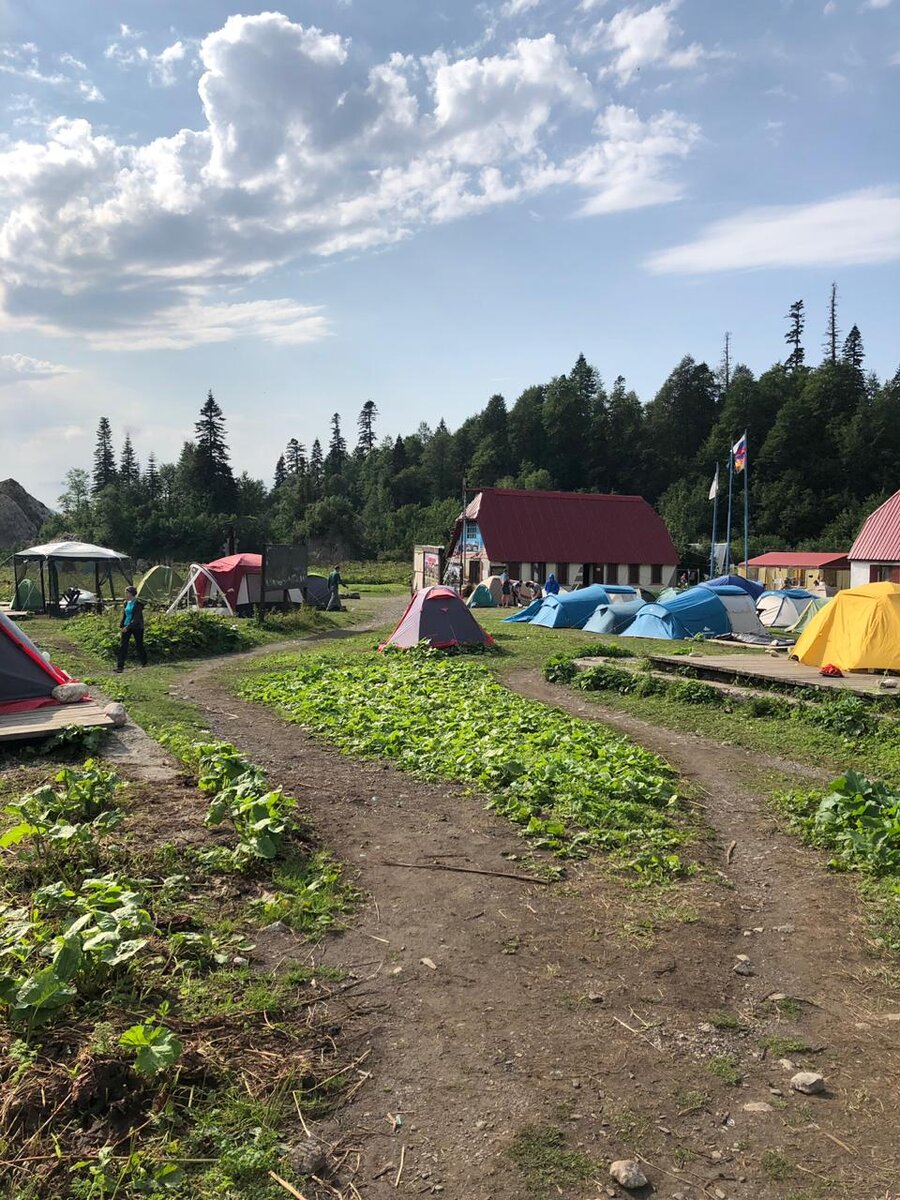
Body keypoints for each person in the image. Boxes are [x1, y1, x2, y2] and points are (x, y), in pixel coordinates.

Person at [116, 586, 147, 672]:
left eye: (127, 593)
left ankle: (144, 662)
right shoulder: (126, 603)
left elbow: (136, 619)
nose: (126, 595)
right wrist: (122, 625)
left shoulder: (137, 604)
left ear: (131, 594)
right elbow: (125, 614)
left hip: (137, 627)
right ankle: (120, 666)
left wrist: (128, 627)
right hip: (126, 626)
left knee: (139, 645)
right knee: (123, 645)